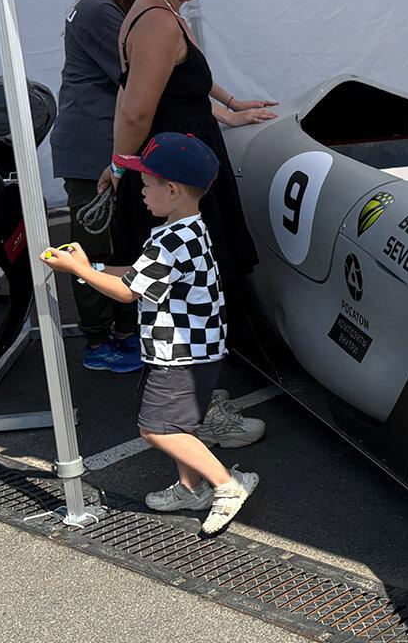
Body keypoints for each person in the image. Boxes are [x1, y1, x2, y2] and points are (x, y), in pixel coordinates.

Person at [105, 0, 272, 448]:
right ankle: (198, 413)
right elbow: (135, 108)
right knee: (190, 294)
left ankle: (195, 407)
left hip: (176, 167)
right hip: (174, 180)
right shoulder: (157, 20)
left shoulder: (157, 8)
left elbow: (178, 87)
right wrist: (122, 166)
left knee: (192, 289)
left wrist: (229, 108)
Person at [42, 133, 260, 536]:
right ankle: (190, 488)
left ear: (171, 190)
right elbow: (139, 277)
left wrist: (79, 271)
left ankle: (228, 484)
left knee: (156, 429)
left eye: (146, 184)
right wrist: (92, 267)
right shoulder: (189, 229)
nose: (140, 192)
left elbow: (128, 292)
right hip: (199, 350)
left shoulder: (169, 240)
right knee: (180, 426)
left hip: (180, 355)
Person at [51, 0, 143, 374]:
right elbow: (140, 76)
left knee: (121, 239)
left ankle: (124, 330)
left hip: (102, 142)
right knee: (93, 244)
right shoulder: (101, 11)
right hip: (93, 146)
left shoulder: (102, 4)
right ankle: (98, 338)